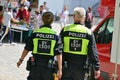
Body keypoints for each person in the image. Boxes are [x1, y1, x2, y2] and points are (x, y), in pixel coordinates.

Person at [17, 11, 62, 80]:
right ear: (52, 21)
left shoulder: (35, 34)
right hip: (49, 69)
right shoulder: (55, 36)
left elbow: (27, 49)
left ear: (42, 20)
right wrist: (60, 70)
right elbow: (58, 53)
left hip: (35, 67)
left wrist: (21, 60)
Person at [60, 7, 100, 80]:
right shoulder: (88, 33)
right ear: (84, 18)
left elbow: (58, 48)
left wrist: (58, 67)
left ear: (73, 17)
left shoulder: (65, 30)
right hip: (81, 68)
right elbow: (93, 51)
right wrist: (97, 67)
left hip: (66, 67)